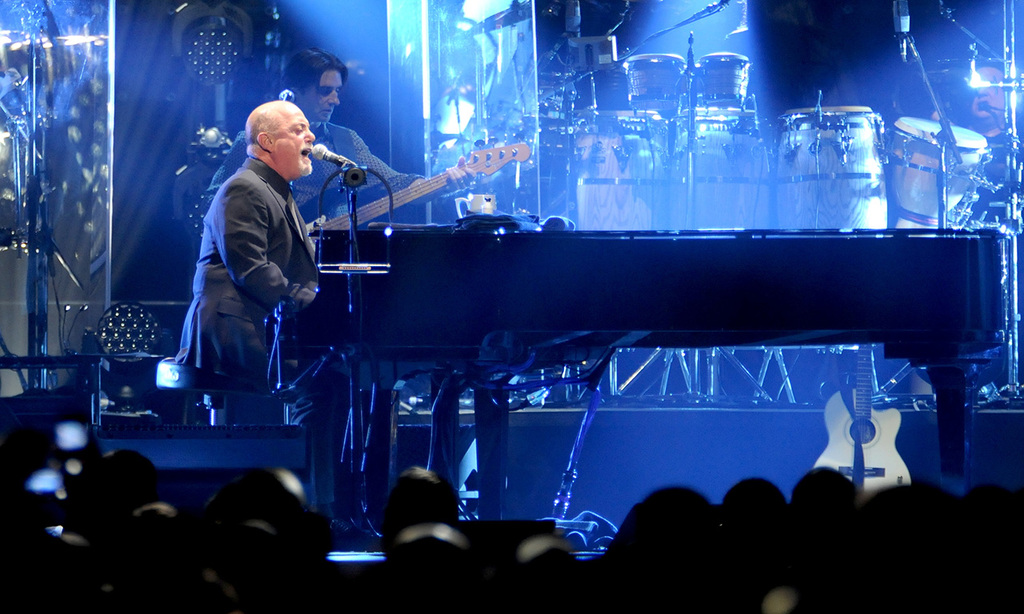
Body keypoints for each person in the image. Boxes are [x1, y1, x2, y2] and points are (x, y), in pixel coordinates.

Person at [204, 47, 470, 225]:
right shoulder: (254, 140)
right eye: (324, 91)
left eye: (337, 91)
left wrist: (447, 182)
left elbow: (396, 184)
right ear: (294, 91)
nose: (334, 100)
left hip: (330, 266)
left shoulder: (346, 142)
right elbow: (215, 198)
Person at [176, 99, 318, 387]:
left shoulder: (274, 189)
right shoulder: (244, 188)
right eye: (298, 129)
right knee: (321, 382)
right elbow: (252, 272)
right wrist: (316, 304)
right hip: (231, 334)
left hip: (256, 324)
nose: (311, 136)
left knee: (332, 373)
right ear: (267, 142)